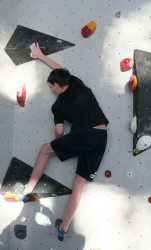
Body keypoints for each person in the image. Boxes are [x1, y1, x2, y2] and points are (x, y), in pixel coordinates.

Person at [23, 42, 109, 241]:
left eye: (51, 86)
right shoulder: (76, 82)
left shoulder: (58, 107)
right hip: (102, 137)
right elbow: (58, 69)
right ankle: (64, 227)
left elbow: (59, 133)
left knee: (45, 150)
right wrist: (40, 55)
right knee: (79, 184)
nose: (50, 88)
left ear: (58, 87)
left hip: (86, 135)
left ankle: (28, 191)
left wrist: (59, 136)